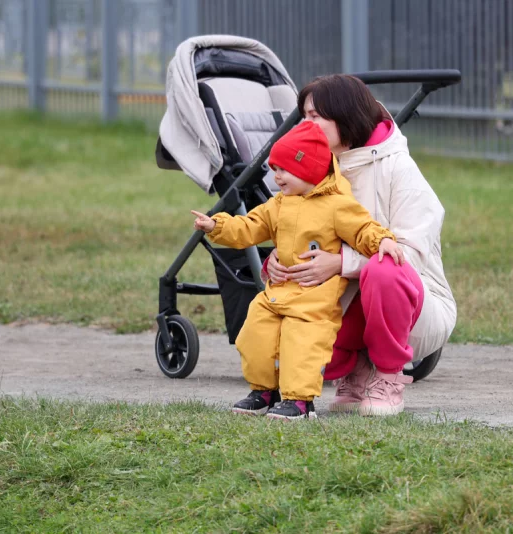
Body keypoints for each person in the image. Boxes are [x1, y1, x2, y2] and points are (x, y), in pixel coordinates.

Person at [263, 74, 457, 416]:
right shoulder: (311, 171)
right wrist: (276, 260)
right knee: (282, 337)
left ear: (345, 115)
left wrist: (340, 263)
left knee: (384, 268)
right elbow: (290, 228)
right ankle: (355, 371)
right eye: (303, 116)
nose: (304, 125)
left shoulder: (398, 168)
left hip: (417, 306)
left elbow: (407, 257)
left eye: (314, 116)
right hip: (343, 301)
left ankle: (388, 376)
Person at [191, 121, 404, 420]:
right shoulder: (279, 204)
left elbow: (362, 228)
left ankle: (300, 401)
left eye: (284, 170)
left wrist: (382, 240)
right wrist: (217, 225)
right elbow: (250, 226)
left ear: (310, 169)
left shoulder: (337, 205)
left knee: (301, 345)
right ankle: (264, 391)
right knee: (255, 335)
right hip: (277, 293)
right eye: (275, 169)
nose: (277, 176)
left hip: (313, 299)